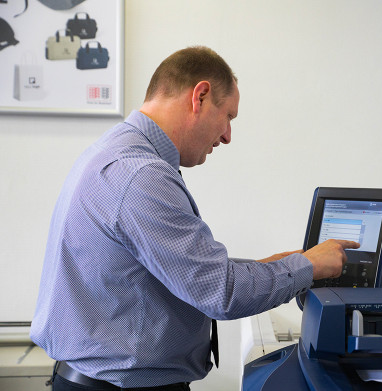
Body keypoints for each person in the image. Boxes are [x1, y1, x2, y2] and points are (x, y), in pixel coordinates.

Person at [30, 46, 359, 391]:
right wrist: (310, 268)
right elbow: (220, 292)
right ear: (200, 96)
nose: (228, 136)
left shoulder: (116, 153)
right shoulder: (141, 175)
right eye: (229, 116)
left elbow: (186, 270)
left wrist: (292, 262)